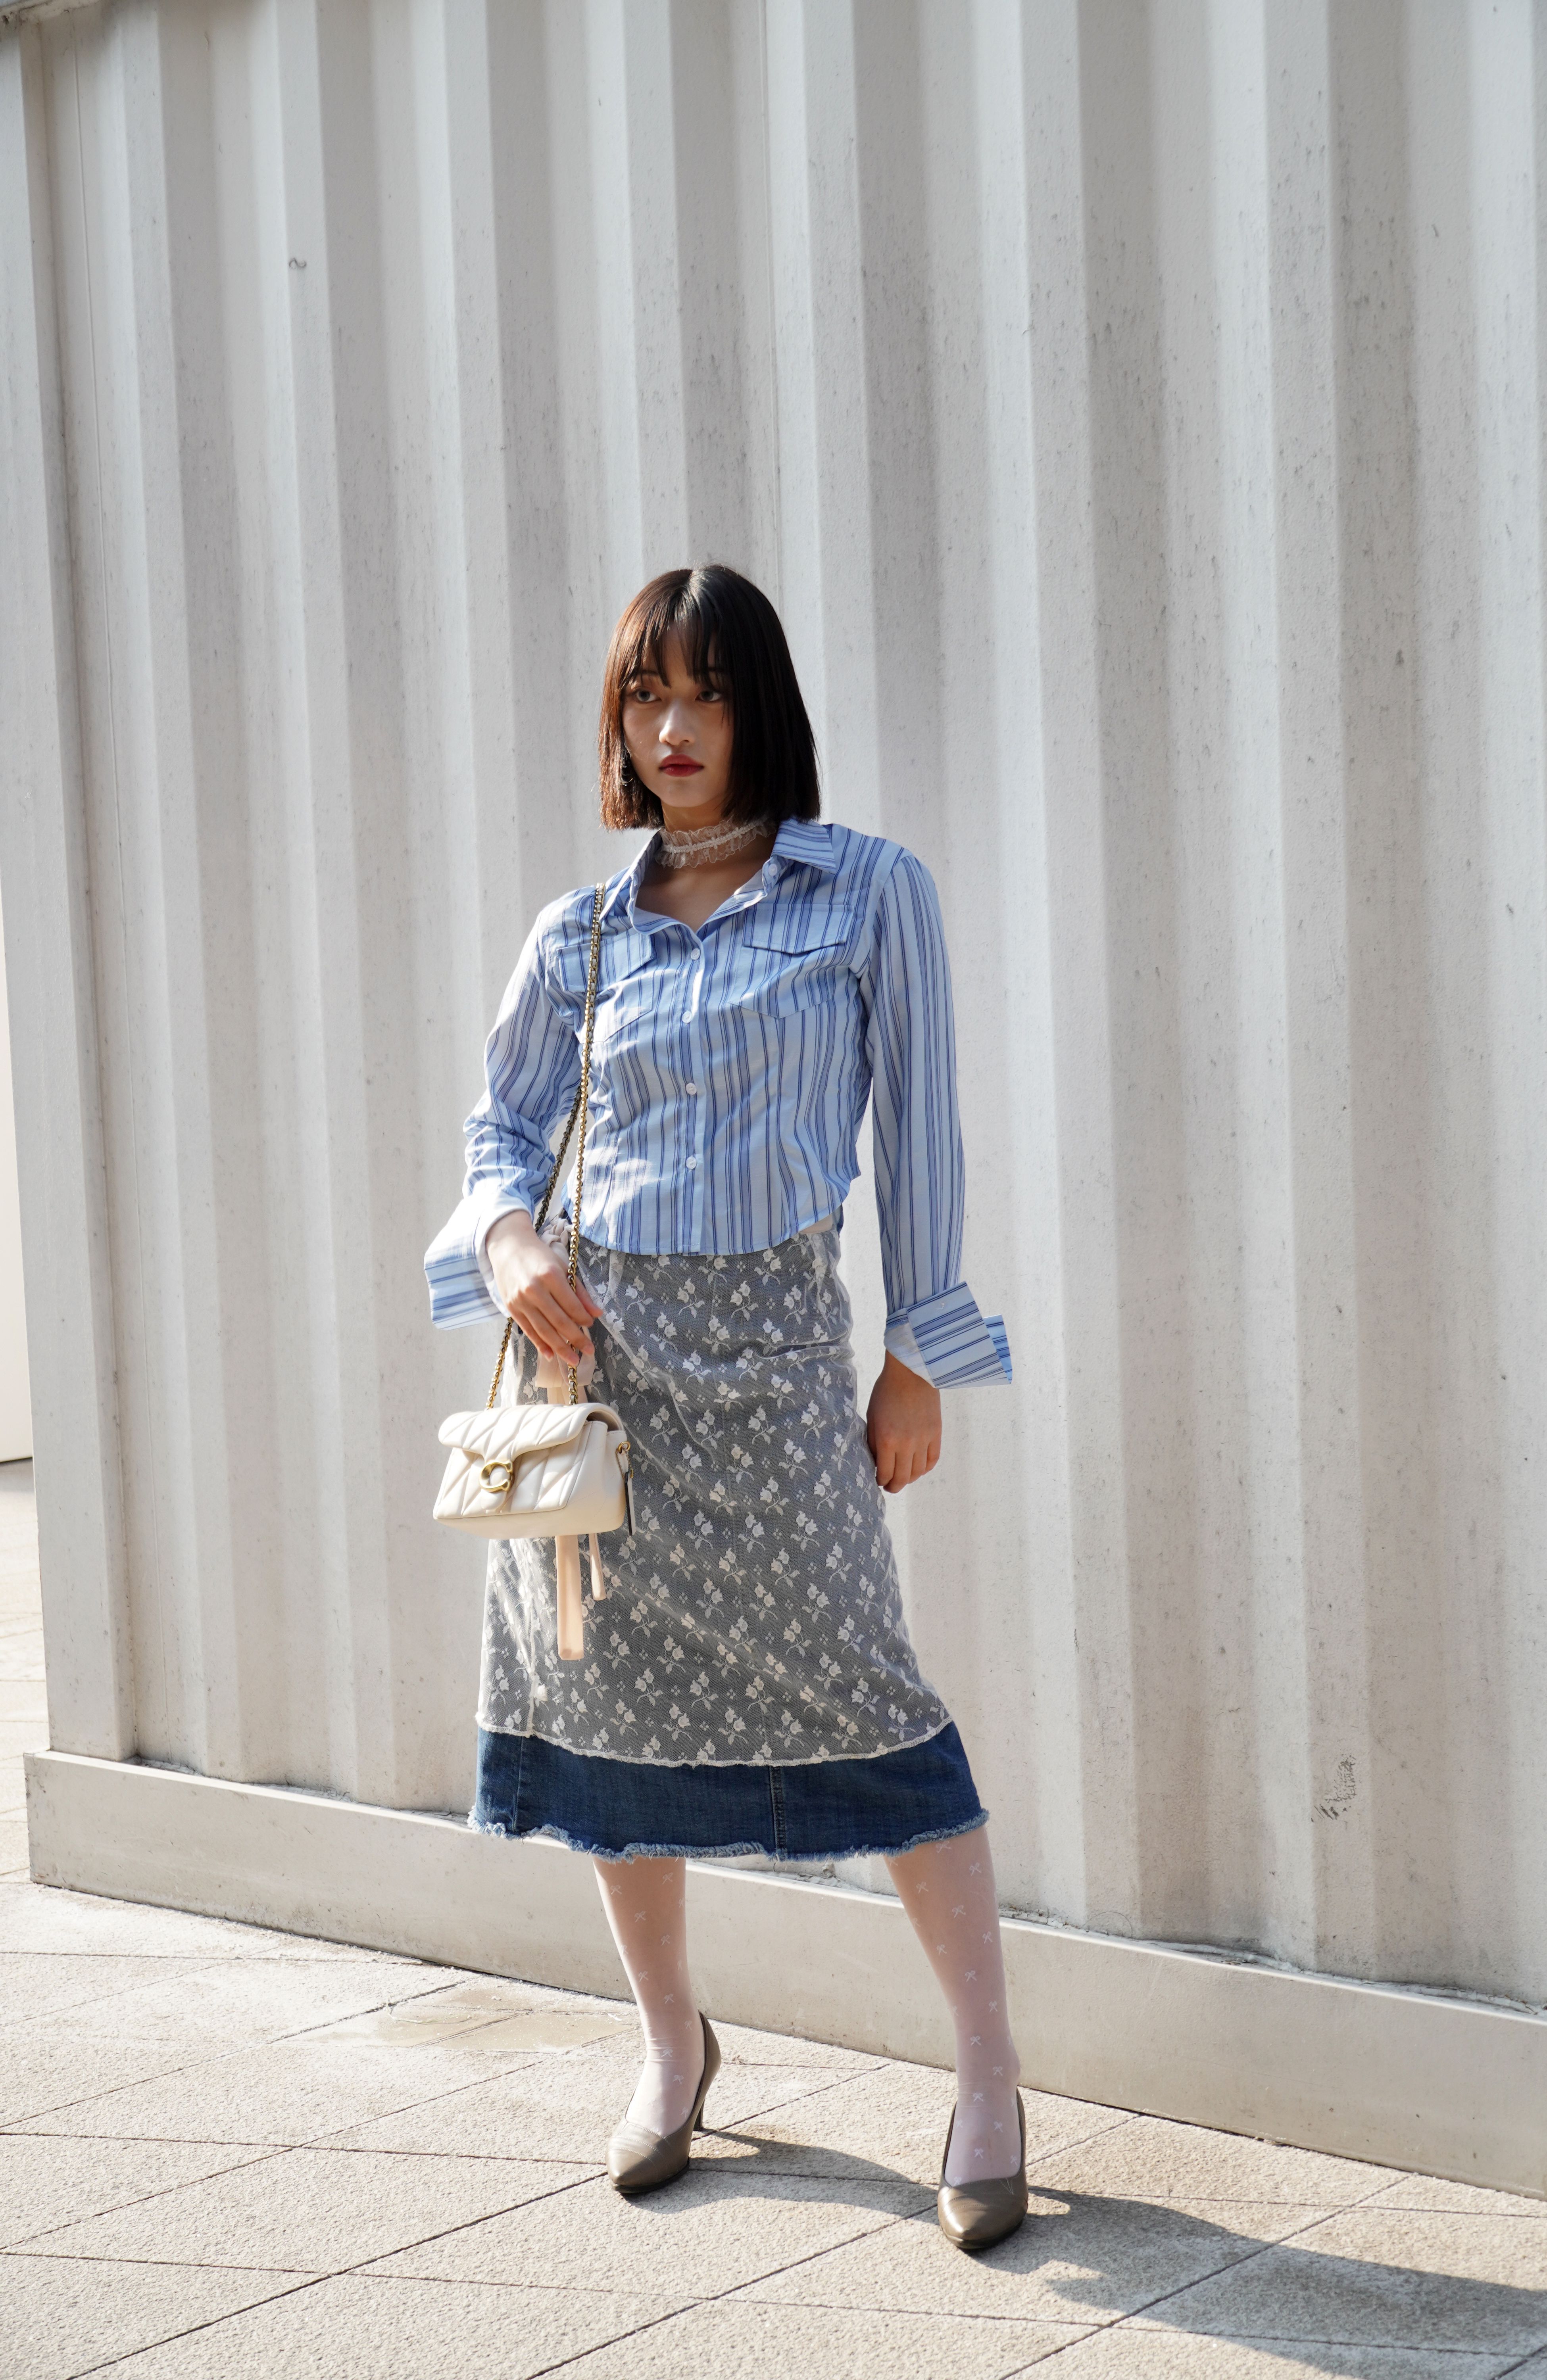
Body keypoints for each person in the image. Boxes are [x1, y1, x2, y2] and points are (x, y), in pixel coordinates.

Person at [425, 564, 1023, 2250]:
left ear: (759, 706)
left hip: (771, 1368)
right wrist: (510, 1234)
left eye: (700, 694)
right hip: (591, 1386)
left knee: (875, 1703)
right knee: (606, 1726)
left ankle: (986, 2074)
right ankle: (671, 2045)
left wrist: (918, 1355)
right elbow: (493, 1142)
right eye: (640, 697)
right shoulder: (584, 933)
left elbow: (923, 1139)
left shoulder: (864, 896)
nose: (669, 730)